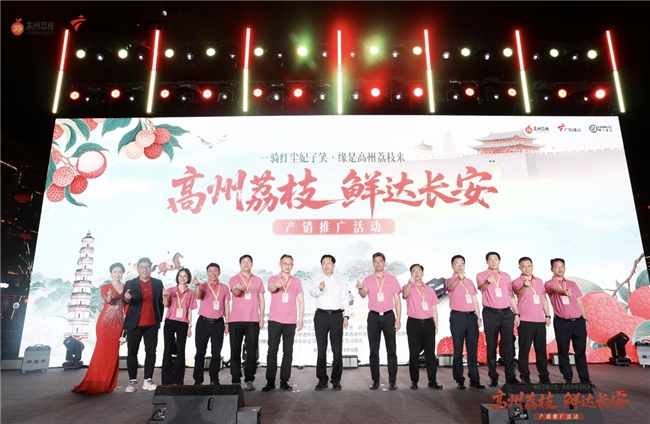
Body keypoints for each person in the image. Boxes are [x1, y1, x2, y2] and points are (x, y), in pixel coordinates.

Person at [72, 263, 127, 394]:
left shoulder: (126, 287)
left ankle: (107, 384)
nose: (117, 274)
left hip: (118, 323)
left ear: (123, 273)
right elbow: (108, 301)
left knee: (113, 353)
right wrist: (109, 295)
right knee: (101, 352)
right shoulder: (105, 287)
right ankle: (95, 382)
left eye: (120, 272)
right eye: (115, 272)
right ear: (111, 273)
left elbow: (127, 306)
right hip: (105, 323)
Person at [545, 258, 594, 387]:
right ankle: (568, 378)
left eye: (562, 266)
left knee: (580, 352)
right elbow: (554, 290)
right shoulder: (549, 283)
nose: (560, 269)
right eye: (556, 267)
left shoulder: (572, 284)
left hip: (578, 322)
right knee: (563, 351)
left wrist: (585, 319)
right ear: (551, 269)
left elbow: (579, 302)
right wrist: (563, 292)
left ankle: (585, 379)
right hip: (562, 323)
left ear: (565, 268)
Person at [356, 252, 401, 391]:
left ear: (384, 262)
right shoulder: (368, 279)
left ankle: (392, 381)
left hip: (388, 316)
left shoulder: (392, 279)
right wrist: (360, 289)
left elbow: (397, 300)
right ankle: (375, 380)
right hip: (373, 317)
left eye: (380, 261)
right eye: (375, 261)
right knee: (374, 351)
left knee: (391, 350)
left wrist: (398, 318)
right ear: (373, 263)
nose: (378, 263)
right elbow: (363, 295)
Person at [476, 252, 520, 387]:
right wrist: (487, 282)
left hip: (506, 313)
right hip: (490, 313)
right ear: (487, 262)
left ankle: (510, 376)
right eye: (490, 260)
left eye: (496, 259)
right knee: (491, 345)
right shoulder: (481, 275)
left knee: (508, 345)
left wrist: (516, 313)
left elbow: (510, 295)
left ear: (500, 261)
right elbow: (481, 288)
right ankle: (493, 376)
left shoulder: (506, 276)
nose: (493, 262)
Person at [262, 254, 305, 392]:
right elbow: (271, 288)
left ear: (292, 265)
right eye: (285, 263)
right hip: (275, 320)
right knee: (272, 351)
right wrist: (276, 285)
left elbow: (301, 301)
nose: (287, 266)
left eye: (290, 264)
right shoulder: (273, 278)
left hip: (290, 321)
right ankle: (270, 381)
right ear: (279, 264)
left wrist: (300, 319)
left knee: (288, 351)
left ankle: (284, 380)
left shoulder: (296, 281)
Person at [123, 257, 164, 393]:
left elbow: (160, 303)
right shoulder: (130, 283)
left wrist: (159, 319)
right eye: (142, 267)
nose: (145, 270)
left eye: (147, 267)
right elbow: (124, 301)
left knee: (151, 352)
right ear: (138, 269)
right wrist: (126, 299)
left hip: (152, 323)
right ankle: (132, 382)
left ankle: (148, 380)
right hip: (134, 323)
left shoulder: (158, 283)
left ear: (151, 268)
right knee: (132, 352)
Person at [309, 254, 350, 391]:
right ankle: (322, 379)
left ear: (334, 264)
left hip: (337, 316)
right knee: (321, 349)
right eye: (323, 263)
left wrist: (346, 316)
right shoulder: (317, 278)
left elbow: (345, 298)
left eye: (328, 263)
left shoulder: (341, 280)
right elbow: (312, 292)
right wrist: (319, 288)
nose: (326, 266)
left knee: (337, 350)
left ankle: (336, 380)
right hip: (321, 315)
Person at [446, 255, 485, 390]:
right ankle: (459, 380)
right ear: (452, 266)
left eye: (462, 263)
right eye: (457, 264)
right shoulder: (450, 280)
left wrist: (478, 317)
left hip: (471, 317)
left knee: (472, 349)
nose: (460, 266)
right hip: (458, 317)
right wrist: (458, 278)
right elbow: (450, 287)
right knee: (458, 349)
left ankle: (474, 379)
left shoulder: (469, 281)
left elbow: (474, 300)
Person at [402, 264, 443, 390]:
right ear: (411, 274)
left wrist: (436, 324)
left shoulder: (429, 289)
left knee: (430, 353)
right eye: (413, 271)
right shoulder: (408, 287)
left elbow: (434, 308)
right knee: (414, 353)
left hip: (428, 323)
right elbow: (405, 294)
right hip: (413, 323)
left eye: (419, 271)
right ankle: (414, 381)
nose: (416, 273)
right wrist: (410, 284)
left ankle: (432, 380)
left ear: (423, 273)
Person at [512, 257, 552, 384]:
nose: (527, 268)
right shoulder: (516, 281)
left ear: (533, 266)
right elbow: (518, 292)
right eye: (523, 266)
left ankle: (544, 376)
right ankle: (525, 376)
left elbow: (543, 298)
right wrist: (525, 285)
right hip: (525, 320)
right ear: (519, 268)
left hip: (539, 320)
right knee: (524, 350)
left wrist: (547, 315)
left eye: (529, 266)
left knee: (541, 350)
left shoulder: (539, 281)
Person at [229, 254, 265, 391]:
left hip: (253, 320)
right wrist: (237, 287)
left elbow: (261, 299)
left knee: (251, 351)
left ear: (252, 264)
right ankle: (235, 379)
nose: (246, 264)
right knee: (235, 350)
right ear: (240, 264)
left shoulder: (258, 280)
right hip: (235, 320)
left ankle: (249, 379)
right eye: (243, 262)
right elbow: (235, 293)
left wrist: (261, 318)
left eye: (248, 261)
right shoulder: (234, 279)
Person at [192, 262, 230, 386]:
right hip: (203, 322)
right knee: (200, 352)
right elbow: (198, 296)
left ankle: (214, 379)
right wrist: (196, 285)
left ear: (219, 272)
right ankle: (198, 380)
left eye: (215, 271)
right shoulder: (202, 286)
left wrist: (227, 323)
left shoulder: (224, 287)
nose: (213, 273)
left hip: (218, 323)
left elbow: (226, 305)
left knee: (216, 353)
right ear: (207, 273)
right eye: (210, 271)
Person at [161, 268, 197, 385]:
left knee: (181, 350)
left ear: (188, 278)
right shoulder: (170, 290)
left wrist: (189, 326)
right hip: (170, 321)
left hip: (183, 323)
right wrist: (165, 297)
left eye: (185, 276)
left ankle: (178, 380)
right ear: (177, 277)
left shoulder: (191, 293)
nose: (182, 278)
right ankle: (167, 380)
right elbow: (166, 305)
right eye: (180, 276)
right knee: (167, 349)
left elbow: (190, 311)